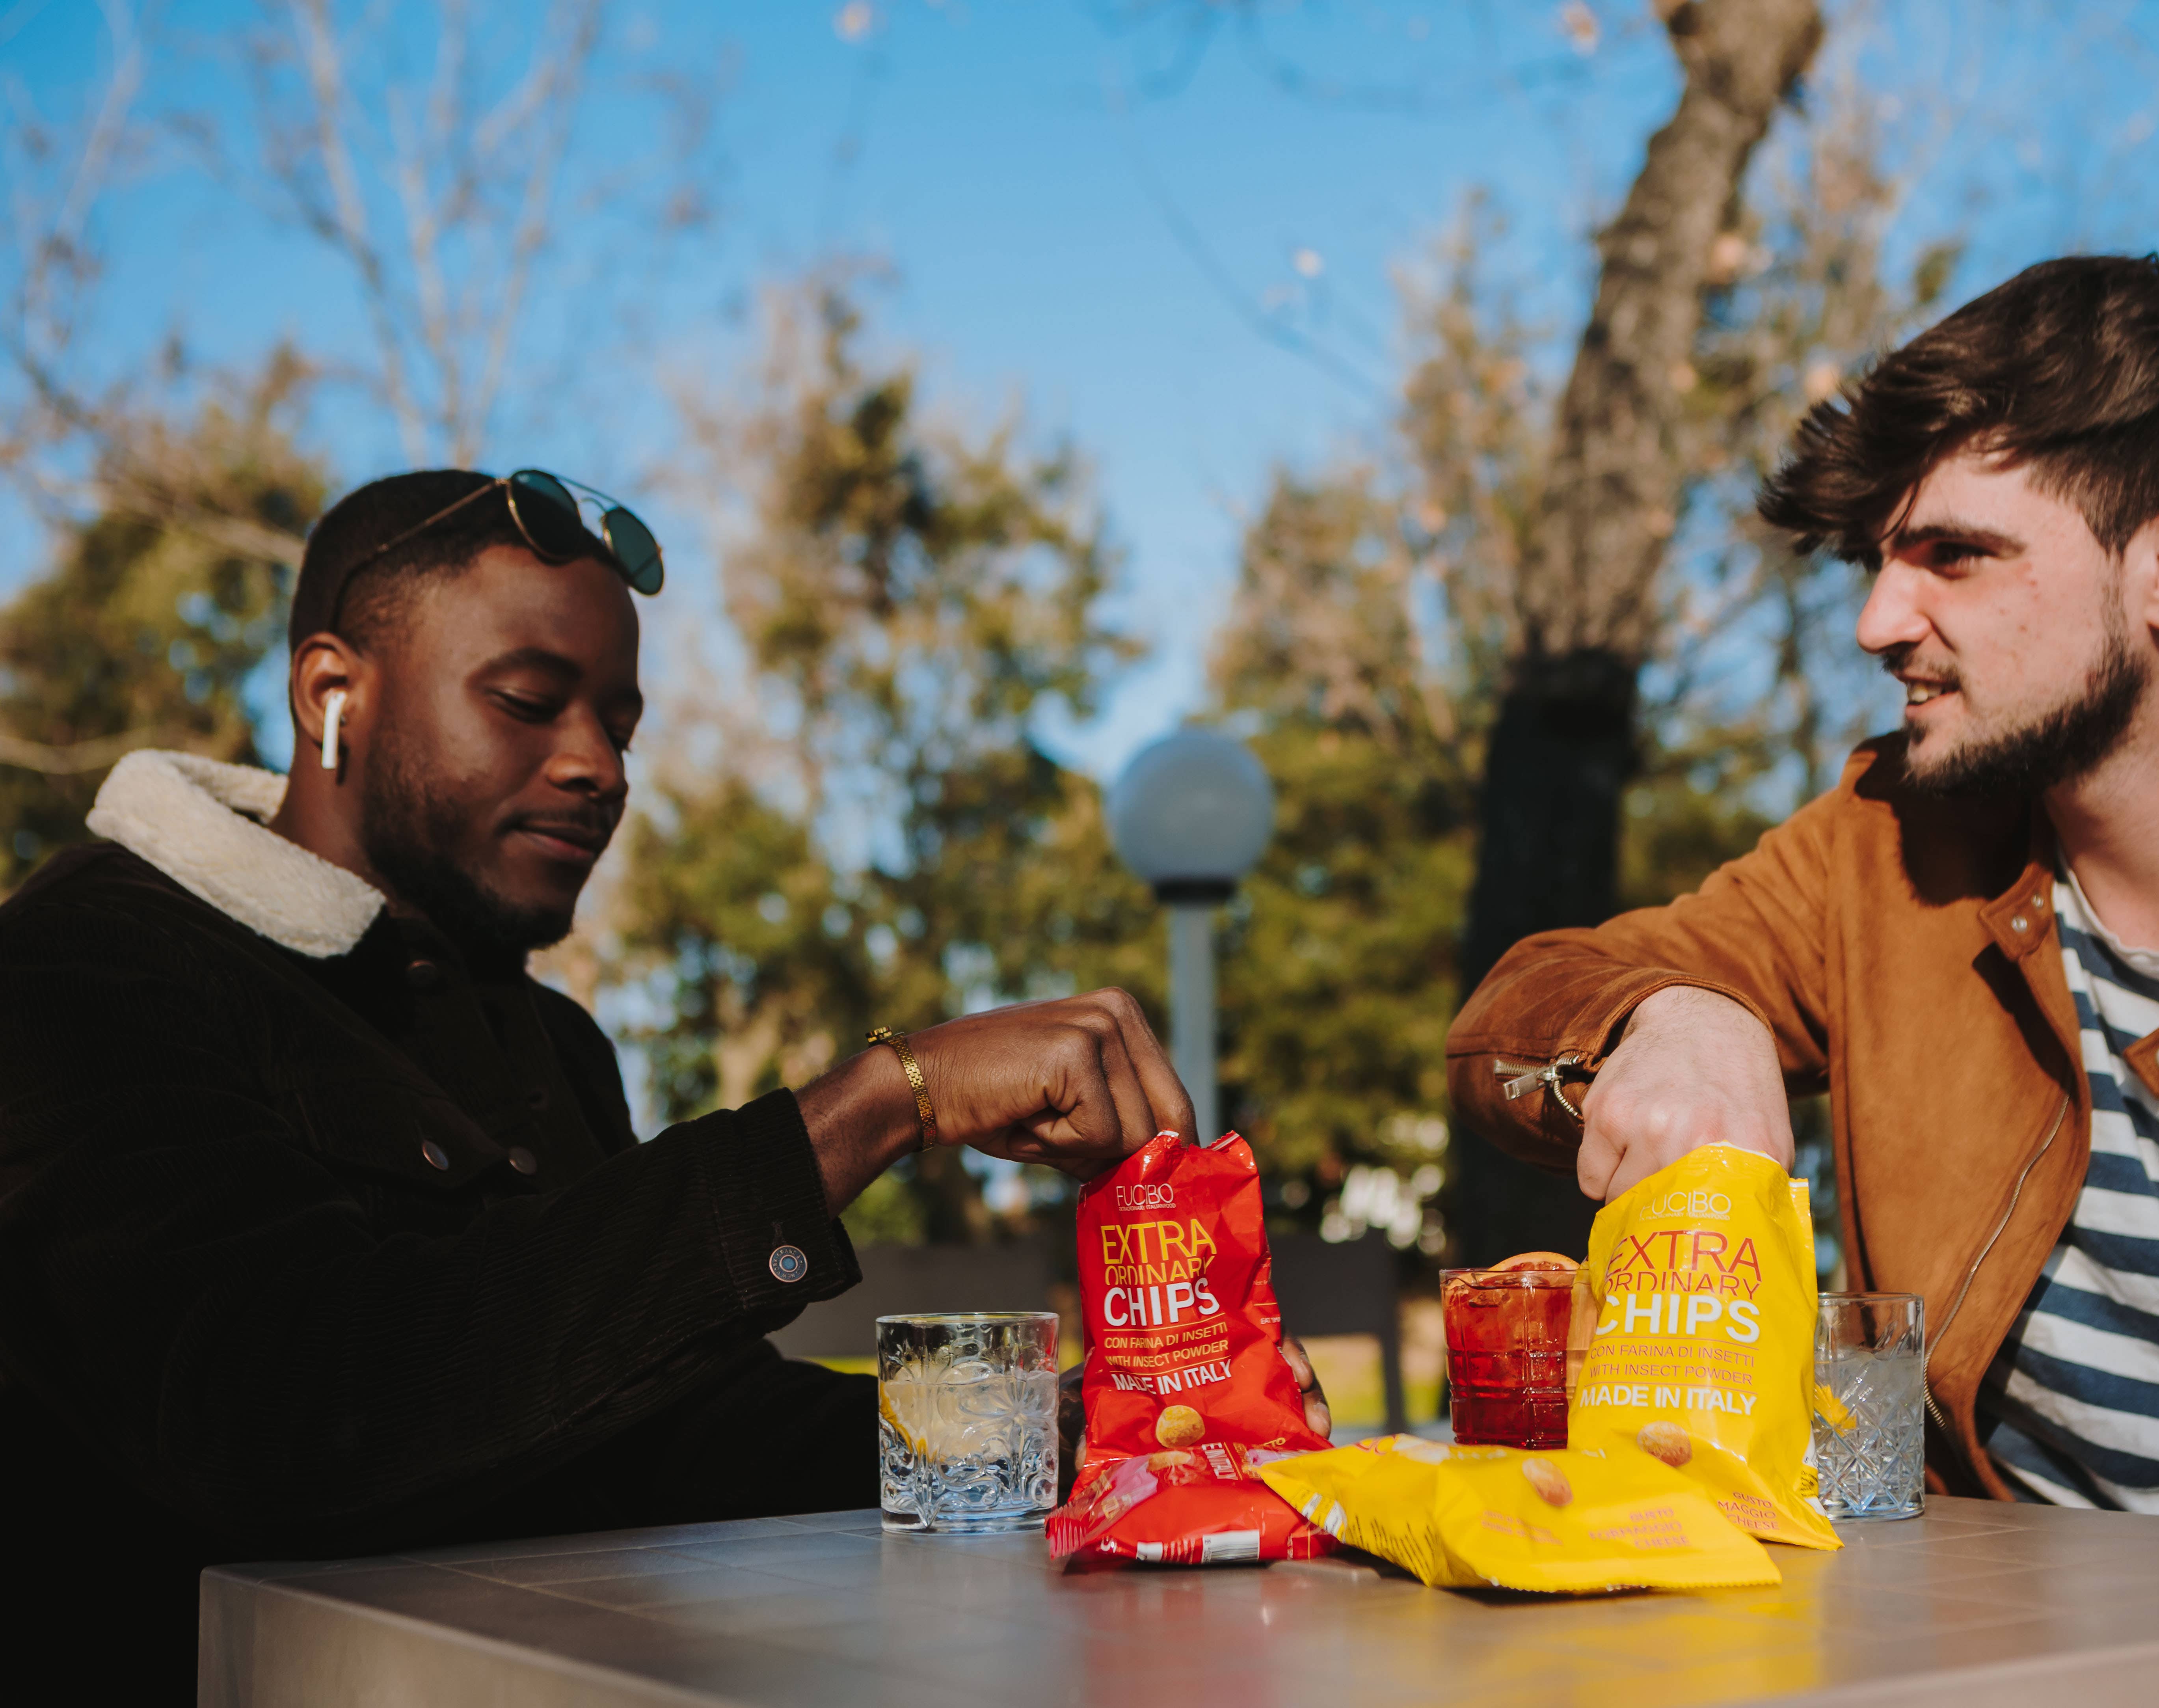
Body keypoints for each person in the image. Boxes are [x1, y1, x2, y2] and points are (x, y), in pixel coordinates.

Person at [0, 469, 1320, 1693]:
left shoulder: (547, 1038)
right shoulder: (86, 968)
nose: (598, 767)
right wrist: (876, 1104)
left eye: (619, 721)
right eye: (527, 702)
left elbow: (676, 1436)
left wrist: (1092, 1436)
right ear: (331, 693)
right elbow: (281, 1417)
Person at [1449, 255, 2159, 1548]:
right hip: (1962, 1650)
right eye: (1878, 560)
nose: (1876, 619)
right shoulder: (1889, 852)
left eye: (1952, 556)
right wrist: (1682, 1016)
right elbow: (1510, 1026)